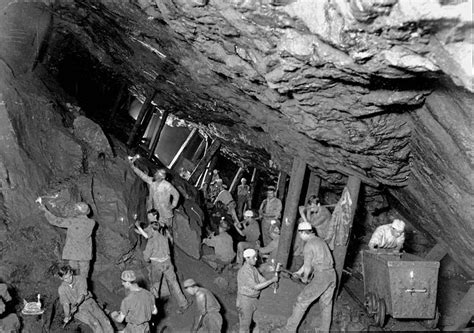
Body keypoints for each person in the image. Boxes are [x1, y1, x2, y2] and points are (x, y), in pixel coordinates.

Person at [282, 222, 336, 333]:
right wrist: (298, 272)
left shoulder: (309, 245)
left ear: (302, 232)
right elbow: (309, 263)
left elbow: (307, 266)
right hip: (331, 275)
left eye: (300, 234)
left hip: (321, 276)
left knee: (301, 301)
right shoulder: (320, 241)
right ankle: (324, 330)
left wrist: (305, 278)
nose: (300, 237)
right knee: (326, 304)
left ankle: (289, 330)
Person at [134, 218, 191, 314]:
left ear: (152, 230)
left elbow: (146, 258)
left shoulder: (151, 242)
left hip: (157, 266)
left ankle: (153, 308)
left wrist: (149, 257)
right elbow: (168, 252)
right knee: (174, 283)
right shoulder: (165, 238)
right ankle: (184, 303)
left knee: (155, 286)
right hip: (168, 263)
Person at [38, 200, 94, 278]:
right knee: (84, 277)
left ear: (77, 211)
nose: (74, 210)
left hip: (73, 253)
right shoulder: (92, 223)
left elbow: (56, 221)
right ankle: (83, 289)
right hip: (85, 254)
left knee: (73, 275)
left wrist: (46, 211)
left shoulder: (72, 221)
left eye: (75, 209)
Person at [57, 265, 113, 333]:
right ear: (61, 278)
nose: (69, 279)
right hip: (78, 310)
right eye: (66, 278)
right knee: (95, 323)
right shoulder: (61, 289)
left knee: (105, 321)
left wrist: (76, 305)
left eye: (70, 276)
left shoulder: (81, 279)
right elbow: (65, 304)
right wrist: (67, 315)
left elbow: (82, 295)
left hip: (89, 302)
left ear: (71, 272)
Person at [128, 156, 180, 229]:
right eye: (156, 173)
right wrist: (133, 167)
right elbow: (143, 176)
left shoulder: (167, 186)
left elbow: (176, 194)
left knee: (166, 228)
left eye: (157, 175)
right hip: (155, 209)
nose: (155, 174)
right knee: (154, 226)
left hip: (165, 211)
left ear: (161, 178)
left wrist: (173, 205)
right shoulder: (152, 181)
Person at [237, 249, 278, 333]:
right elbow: (256, 287)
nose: (256, 259)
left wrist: (270, 285)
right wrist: (271, 281)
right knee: (245, 326)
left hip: (254, 299)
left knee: (258, 320)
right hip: (245, 301)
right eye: (254, 257)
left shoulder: (253, 269)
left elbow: (261, 279)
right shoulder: (244, 271)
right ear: (247, 259)